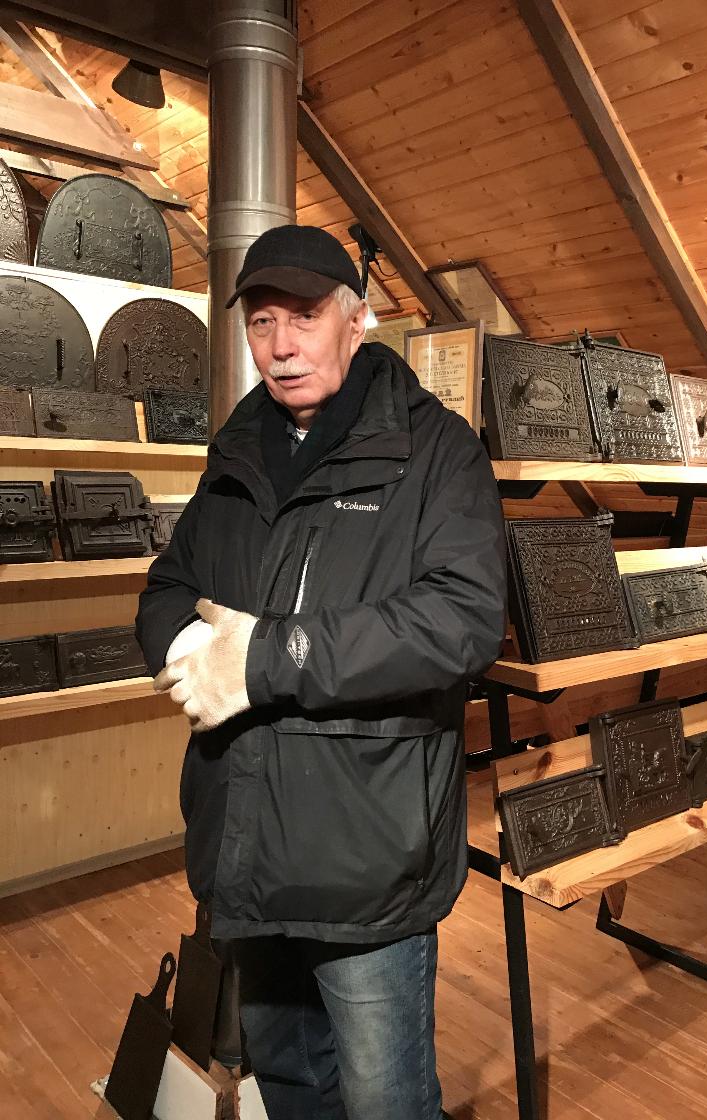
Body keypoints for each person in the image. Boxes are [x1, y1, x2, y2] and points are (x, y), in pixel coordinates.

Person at [136, 224, 507, 1120]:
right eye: (262, 321)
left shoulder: (437, 452)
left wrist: (266, 659)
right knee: (290, 1080)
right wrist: (189, 654)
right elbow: (168, 586)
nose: (281, 344)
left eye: (304, 316)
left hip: (364, 858)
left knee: (386, 1099)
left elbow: (464, 619)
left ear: (357, 320)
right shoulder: (237, 449)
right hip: (246, 844)